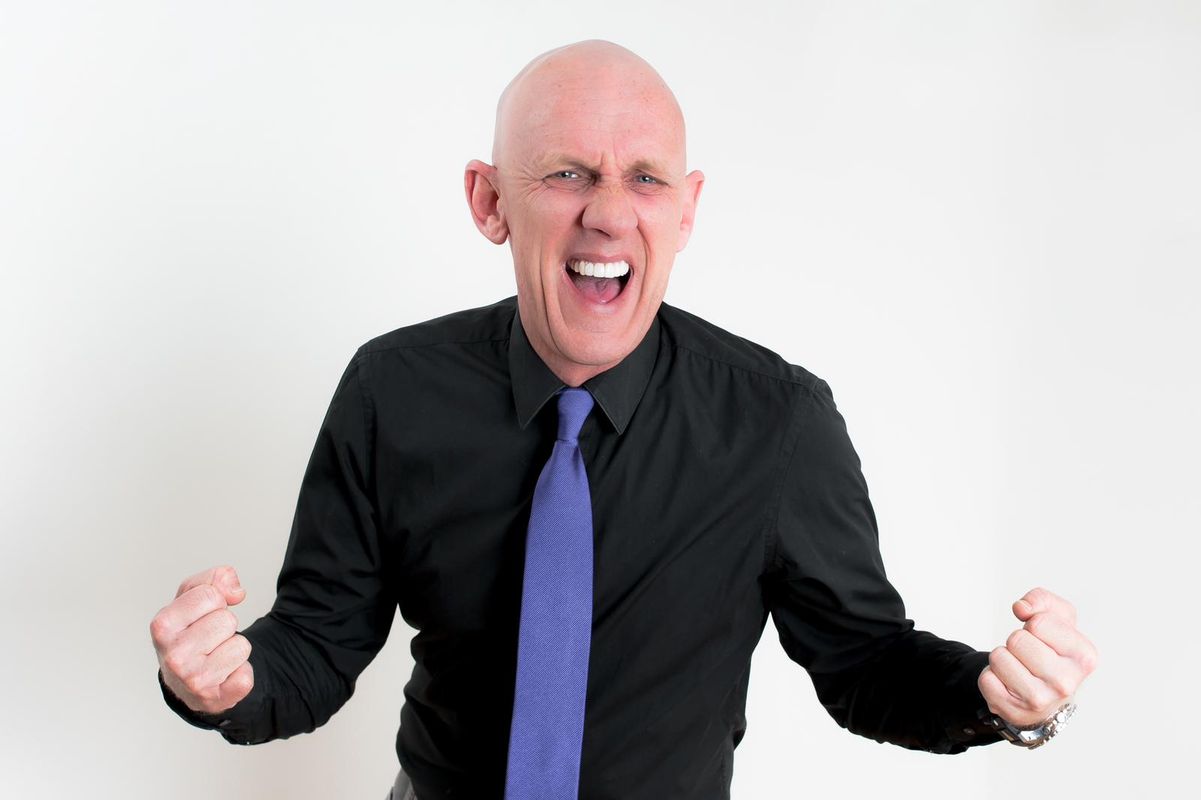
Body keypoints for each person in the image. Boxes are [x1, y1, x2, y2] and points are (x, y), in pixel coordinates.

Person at [150, 40, 1097, 799]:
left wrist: (995, 697)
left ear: (684, 212)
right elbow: (316, 644)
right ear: (489, 200)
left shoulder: (776, 421)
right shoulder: (392, 391)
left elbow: (864, 664)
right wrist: (226, 682)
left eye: (645, 179)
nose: (608, 214)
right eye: (567, 173)